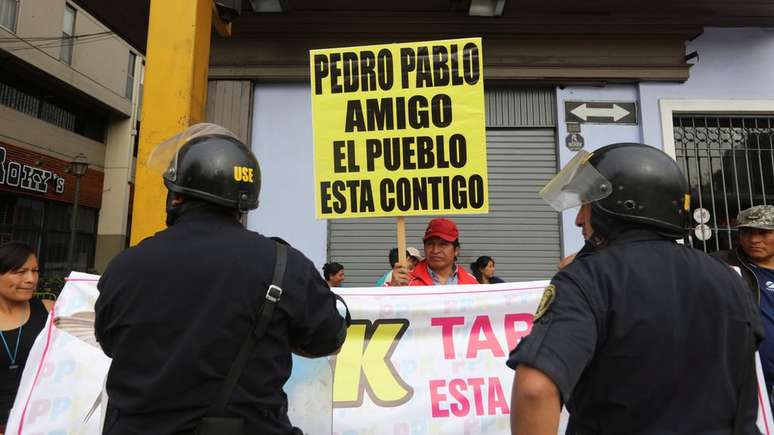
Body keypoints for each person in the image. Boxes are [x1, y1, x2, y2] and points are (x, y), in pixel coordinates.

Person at [95, 124, 349, 435]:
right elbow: (329, 338)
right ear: (244, 203)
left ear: (176, 198)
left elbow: (109, 343)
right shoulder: (284, 265)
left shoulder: (123, 267)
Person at [507, 143, 762, 435]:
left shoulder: (589, 278)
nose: (579, 219)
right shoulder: (729, 279)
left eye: (586, 205)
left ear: (620, 205)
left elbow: (534, 390)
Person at [715, 205, 774, 402]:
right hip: (751, 382)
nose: (754, 240)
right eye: (747, 232)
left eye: (764, 232)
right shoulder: (720, 266)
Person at [0, 242, 52, 431]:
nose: (31, 279)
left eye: (35, 271)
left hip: (39, 422)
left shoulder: (49, 310)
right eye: (20, 272)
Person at [390, 218, 478, 286]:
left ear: (456, 251)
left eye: (443, 244)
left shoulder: (472, 283)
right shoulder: (404, 280)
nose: (435, 250)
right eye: (430, 244)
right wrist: (393, 290)